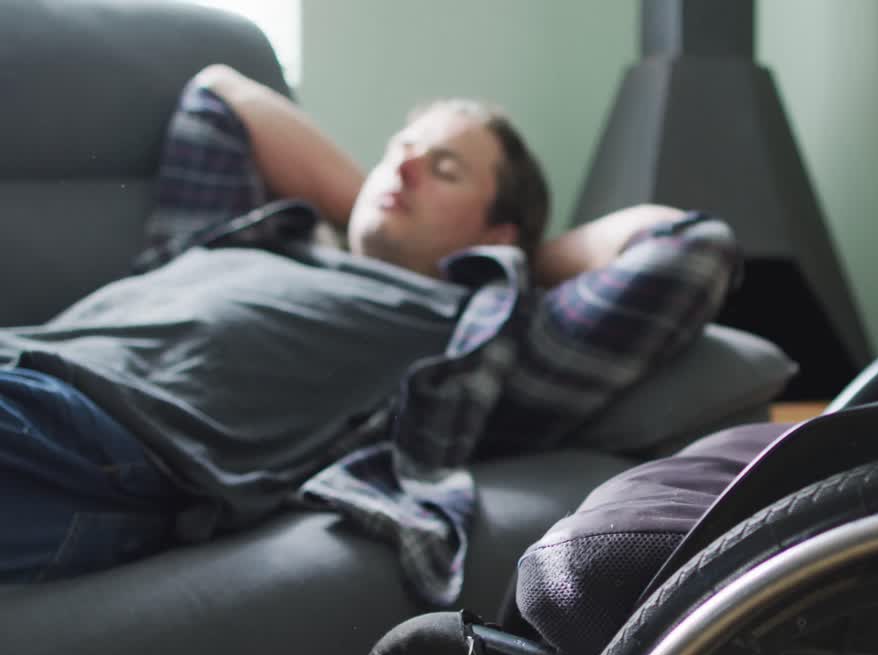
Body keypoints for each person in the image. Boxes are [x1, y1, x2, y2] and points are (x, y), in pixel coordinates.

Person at [0, 65, 740, 586]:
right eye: (400, 151)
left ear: (499, 234)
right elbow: (220, 95)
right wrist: (380, 201)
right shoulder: (258, 235)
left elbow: (692, 250)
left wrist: (512, 258)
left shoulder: (472, 331)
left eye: (445, 170)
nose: (405, 168)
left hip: (101, 439)